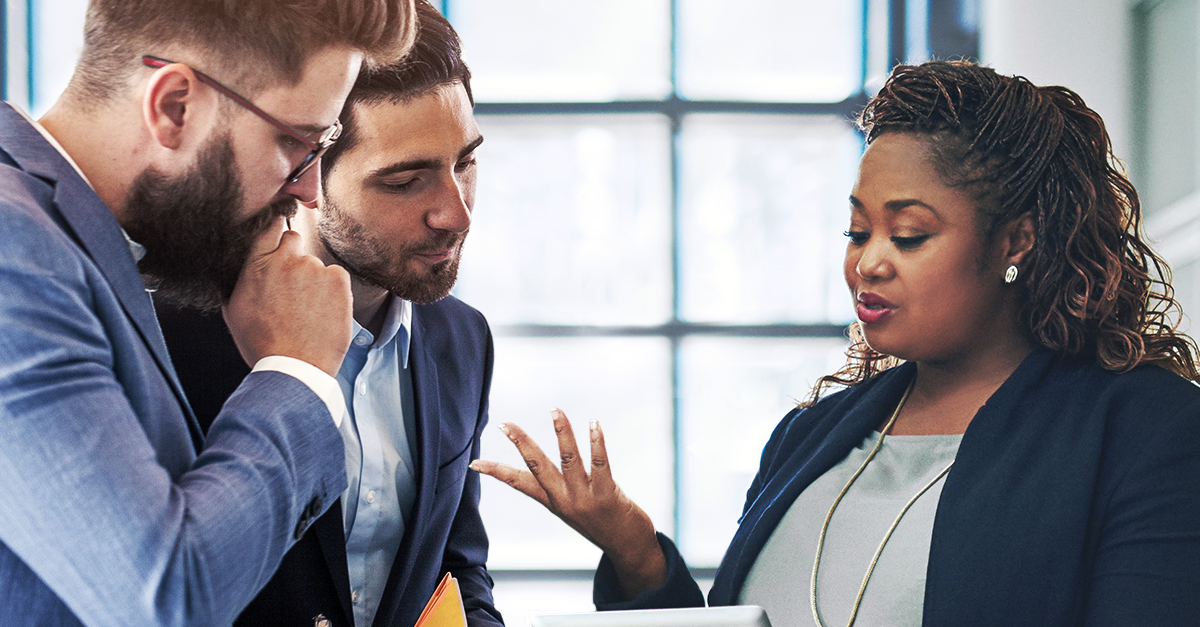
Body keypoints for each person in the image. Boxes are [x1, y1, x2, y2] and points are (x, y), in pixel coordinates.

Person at [472, 60, 1200, 626]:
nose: (868, 261)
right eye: (857, 230)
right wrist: (634, 551)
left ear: (1015, 241)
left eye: (908, 234)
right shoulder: (809, 437)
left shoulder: (1144, 429)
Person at [0, 1, 415, 625]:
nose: (310, 190)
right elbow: (168, 595)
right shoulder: (15, 250)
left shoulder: (75, 243)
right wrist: (296, 369)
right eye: (299, 143)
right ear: (175, 106)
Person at [156, 3, 500, 626]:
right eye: (405, 182)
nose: (457, 212)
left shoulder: (463, 338)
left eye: (464, 164)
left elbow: (458, 566)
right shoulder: (171, 334)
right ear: (305, 169)